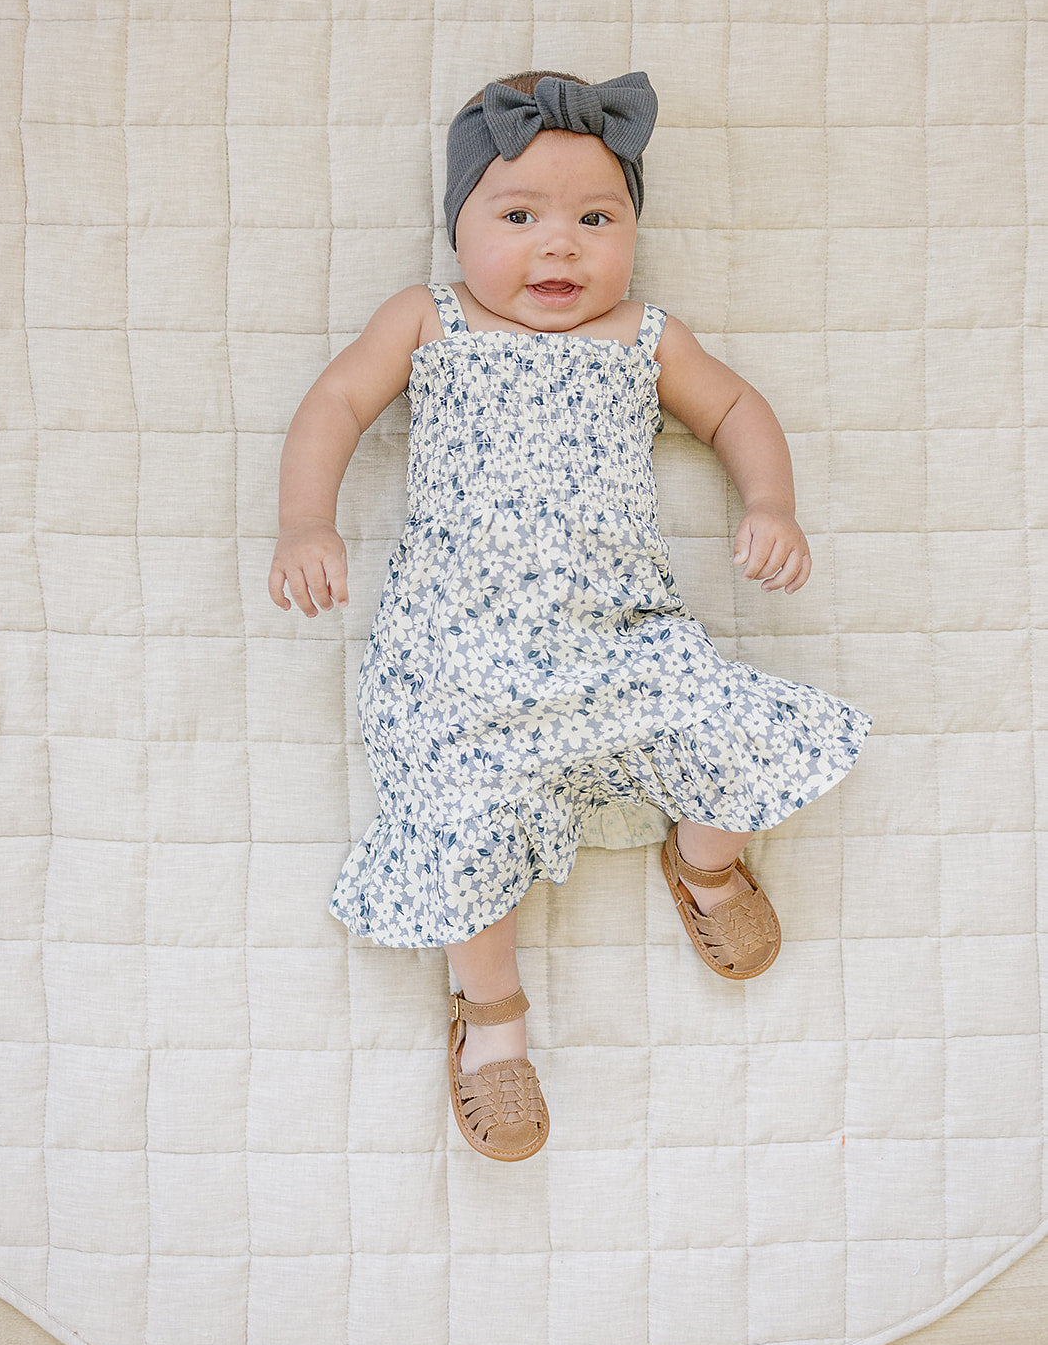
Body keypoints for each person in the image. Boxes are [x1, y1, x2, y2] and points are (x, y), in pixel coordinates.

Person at [268, 69, 871, 1163]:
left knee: (725, 718)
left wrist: (768, 500)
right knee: (457, 819)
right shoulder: (427, 317)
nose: (560, 248)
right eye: (518, 217)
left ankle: (701, 861)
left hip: (616, 637)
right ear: (456, 229)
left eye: (597, 218)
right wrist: (306, 520)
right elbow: (336, 401)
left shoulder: (644, 337)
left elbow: (733, 406)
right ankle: (492, 1015)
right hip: (459, 656)